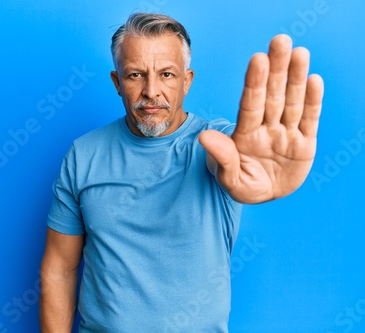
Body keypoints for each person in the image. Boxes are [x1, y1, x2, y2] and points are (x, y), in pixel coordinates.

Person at [39, 12, 324, 333]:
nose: (151, 90)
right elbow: (60, 268)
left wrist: (252, 166)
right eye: (135, 75)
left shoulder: (217, 145)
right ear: (117, 82)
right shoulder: (83, 154)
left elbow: (231, 157)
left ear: (186, 80)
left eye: (167, 74)